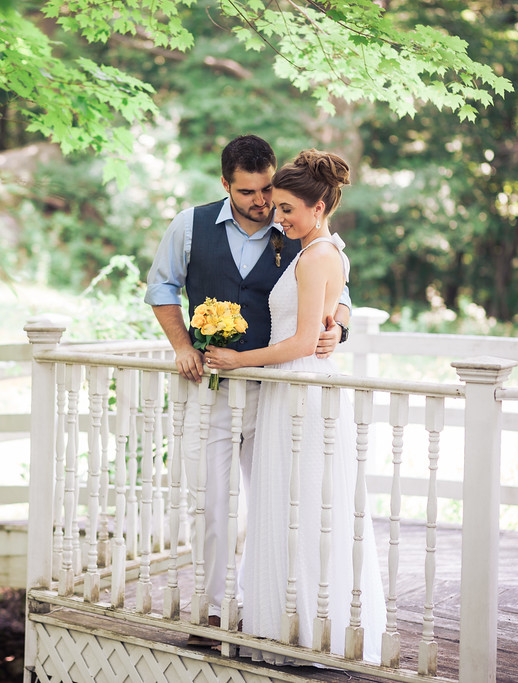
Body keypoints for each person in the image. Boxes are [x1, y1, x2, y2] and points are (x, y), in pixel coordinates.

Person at [144, 135, 352, 646]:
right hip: (213, 391)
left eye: (267, 191)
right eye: (248, 193)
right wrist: (182, 346)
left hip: (277, 395)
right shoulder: (189, 225)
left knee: (277, 503)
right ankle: (214, 611)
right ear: (225, 185)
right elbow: (161, 287)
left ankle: (268, 610)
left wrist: (339, 328)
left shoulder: (296, 225)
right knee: (214, 504)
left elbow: (341, 290)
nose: (262, 203)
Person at [204, 149, 385, 664]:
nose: (277, 218)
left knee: (304, 507)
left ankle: (306, 628)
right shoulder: (316, 250)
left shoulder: (320, 255)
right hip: (291, 389)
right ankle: (287, 620)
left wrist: (239, 360)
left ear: (320, 205)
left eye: (287, 209)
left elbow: (305, 340)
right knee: (289, 506)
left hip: (299, 387)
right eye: (276, 207)